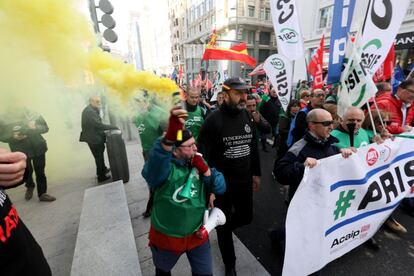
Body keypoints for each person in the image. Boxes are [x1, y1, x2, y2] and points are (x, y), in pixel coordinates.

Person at [141, 108, 226, 276]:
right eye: (189, 146)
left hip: (197, 236)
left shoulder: (199, 161)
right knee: (163, 271)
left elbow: (221, 187)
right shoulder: (166, 169)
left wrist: (207, 172)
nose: (195, 148)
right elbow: (153, 171)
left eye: (195, 144)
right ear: (175, 150)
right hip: (168, 239)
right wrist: (166, 142)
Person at [198, 77, 261, 276]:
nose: (244, 97)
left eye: (245, 93)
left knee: (246, 217)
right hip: (222, 185)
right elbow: (203, 156)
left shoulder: (247, 116)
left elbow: (253, 147)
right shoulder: (213, 120)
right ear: (225, 95)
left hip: (244, 181)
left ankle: (221, 227)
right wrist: (209, 189)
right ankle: (230, 264)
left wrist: (256, 173)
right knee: (224, 223)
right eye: (238, 93)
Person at [0, 147, 52, 275]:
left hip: (31, 258)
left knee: (40, 172)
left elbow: (15, 173)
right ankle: (30, 188)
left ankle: (42, 192)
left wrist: (14, 166)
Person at [0, 109, 55, 201]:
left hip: (38, 148)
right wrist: (12, 136)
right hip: (21, 151)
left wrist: (35, 127)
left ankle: (42, 193)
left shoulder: (33, 113)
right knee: (27, 172)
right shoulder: (4, 118)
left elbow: (45, 128)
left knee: (40, 171)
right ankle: (30, 186)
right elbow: (1, 136)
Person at [134, 97, 167, 217]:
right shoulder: (137, 114)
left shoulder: (158, 113)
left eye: (140, 102)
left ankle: (153, 207)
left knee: (155, 180)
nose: (138, 105)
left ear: (147, 101)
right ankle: (153, 206)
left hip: (156, 152)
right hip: (146, 151)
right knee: (151, 180)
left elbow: (167, 132)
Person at [80, 96, 118, 183]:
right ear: (91, 102)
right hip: (93, 138)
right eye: (97, 102)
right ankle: (101, 177)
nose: (99, 103)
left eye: (99, 102)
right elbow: (98, 125)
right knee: (99, 157)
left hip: (93, 137)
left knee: (98, 156)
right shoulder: (89, 112)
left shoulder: (91, 109)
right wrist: (112, 127)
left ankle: (102, 169)